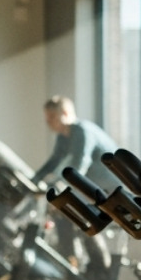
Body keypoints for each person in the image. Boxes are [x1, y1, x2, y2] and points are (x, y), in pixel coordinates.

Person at [32, 97, 118, 270]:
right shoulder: (63, 137)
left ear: (64, 114)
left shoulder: (81, 131)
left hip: (110, 189)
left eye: (51, 117)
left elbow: (79, 166)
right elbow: (54, 162)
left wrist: (58, 186)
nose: (47, 122)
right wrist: (33, 181)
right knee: (65, 214)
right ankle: (74, 263)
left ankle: (100, 266)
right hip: (92, 187)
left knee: (77, 215)